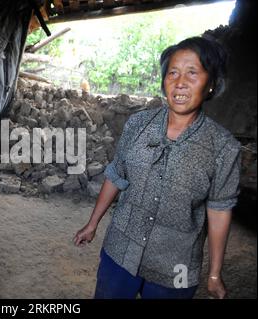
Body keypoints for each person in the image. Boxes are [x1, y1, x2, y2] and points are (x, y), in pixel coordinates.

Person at [74, 37, 241, 299]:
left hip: (178, 265)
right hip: (120, 251)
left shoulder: (223, 147)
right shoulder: (138, 124)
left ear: (211, 84)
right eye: (172, 72)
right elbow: (117, 174)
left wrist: (214, 274)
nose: (180, 82)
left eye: (192, 73)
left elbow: (219, 211)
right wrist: (92, 223)